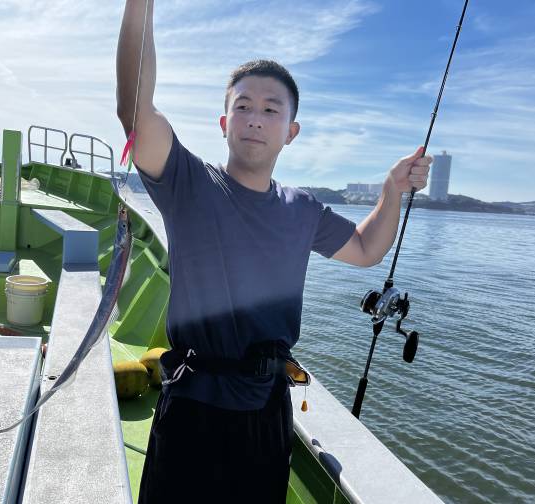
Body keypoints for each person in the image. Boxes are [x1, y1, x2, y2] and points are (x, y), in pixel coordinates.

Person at [116, 1, 431, 502]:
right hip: (194, 408)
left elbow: (367, 247)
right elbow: (135, 110)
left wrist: (392, 190)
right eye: (243, 107)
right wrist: (141, 6)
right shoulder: (187, 182)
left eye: (271, 110)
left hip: (267, 414)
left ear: (291, 131)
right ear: (224, 122)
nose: (255, 120)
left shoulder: (302, 209)